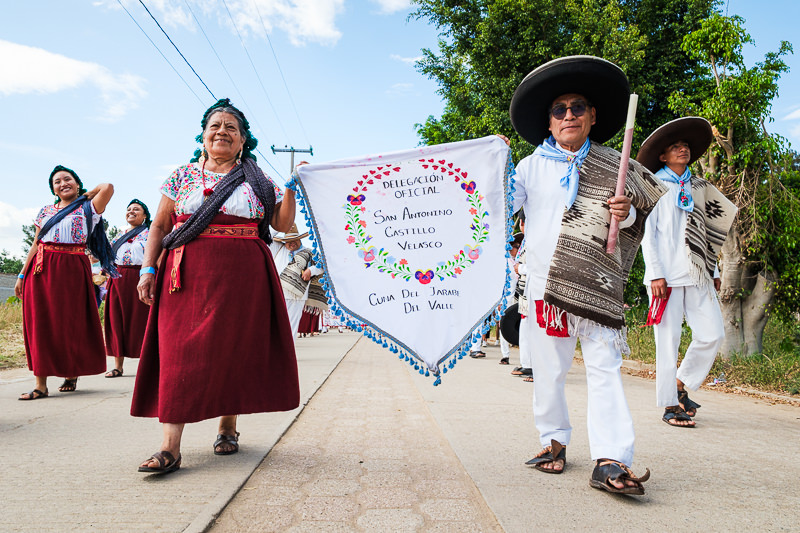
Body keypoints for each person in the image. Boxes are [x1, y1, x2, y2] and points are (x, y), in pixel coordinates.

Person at [508, 56, 667, 494]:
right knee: (549, 369)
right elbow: (500, 205)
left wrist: (628, 208)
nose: (569, 115)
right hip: (544, 284)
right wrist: (494, 160)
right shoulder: (527, 168)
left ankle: (612, 458)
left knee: (604, 368)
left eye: (578, 106)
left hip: (597, 284)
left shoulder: (617, 166)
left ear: (593, 115)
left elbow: (637, 218)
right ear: (549, 120)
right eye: (559, 109)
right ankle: (553, 442)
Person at [132, 98, 299, 475]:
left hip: (244, 273)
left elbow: (281, 224)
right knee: (179, 353)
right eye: (215, 126)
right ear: (203, 136)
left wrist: (290, 188)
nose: (222, 132)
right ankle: (169, 447)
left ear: (243, 141)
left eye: (231, 128)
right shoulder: (182, 175)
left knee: (233, 349)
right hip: (185, 273)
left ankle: (228, 428)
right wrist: (147, 269)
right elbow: (159, 226)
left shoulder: (257, 179)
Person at [636, 117, 737, 428]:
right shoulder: (654, 186)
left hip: (698, 274)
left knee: (713, 333)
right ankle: (669, 405)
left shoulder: (700, 188)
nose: (683, 149)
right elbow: (647, 232)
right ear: (663, 156)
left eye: (685, 146)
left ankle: (679, 384)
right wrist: (654, 273)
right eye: (674, 147)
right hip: (665, 277)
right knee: (667, 341)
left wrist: (715, 267)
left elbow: (707, 234)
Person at [15, 166, 114, 400]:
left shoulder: (89, 207)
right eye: (57, 182)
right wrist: (21, 275)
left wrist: (87, 195)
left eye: (67, 179)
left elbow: (108, 187)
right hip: (40, 268)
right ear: (53, 189)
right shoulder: (45, 211)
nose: (62, 183)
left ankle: (71, 372)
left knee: (69, 322)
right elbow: (35, 244)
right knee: (40, 324)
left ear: (77, 183)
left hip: (72, 267)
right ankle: (40, 384)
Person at [103, 199, 152, 378]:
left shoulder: (150, 234)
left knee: (142, 320)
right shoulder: (119, 235)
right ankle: (118, 366)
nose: (131, 212)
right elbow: (108, 255)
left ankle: (147, 365)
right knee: (117, 319)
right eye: (129, 209)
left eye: (136, 209)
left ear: (145, 215)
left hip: (141, 277)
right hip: (118, 279)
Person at [270, 224, 324, 338]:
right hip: (277, 293)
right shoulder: (278, 247)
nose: (292, 243)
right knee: (274, 326)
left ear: (300, 239)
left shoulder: (309, 252)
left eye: (295, 239)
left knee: (291, 327)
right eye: (288, 240)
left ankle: (288, 354)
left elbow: (321, 266)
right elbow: (265, 235)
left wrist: (311, 270)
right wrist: (281, 225)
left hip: (297, 295)